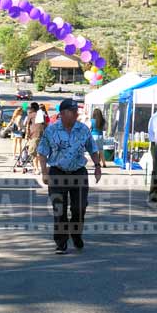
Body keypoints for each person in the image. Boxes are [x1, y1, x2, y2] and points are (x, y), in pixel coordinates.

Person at [38, 98, 101, 255]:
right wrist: (44, 172)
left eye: (76, 111)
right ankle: (61, 242)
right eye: (72, 111)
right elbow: (42, 152)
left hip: (78, 173)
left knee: (79, 207)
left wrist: (97, 166)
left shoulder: (83, 129)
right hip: (57, 173)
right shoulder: (51, 130)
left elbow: (93, 148)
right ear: (62, 113)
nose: (76, 114)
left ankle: (76, 234)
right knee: (59, 209)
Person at [25, 102, 45, 174]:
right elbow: (44, 125)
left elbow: (27, 126)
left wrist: (27, 135)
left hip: (34, 136)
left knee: (33, 153)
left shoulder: (31, 115)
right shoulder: (41, 114)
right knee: (40, 153)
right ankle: (40, 168)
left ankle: (36, 169)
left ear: (32, 108)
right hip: (41, 136)